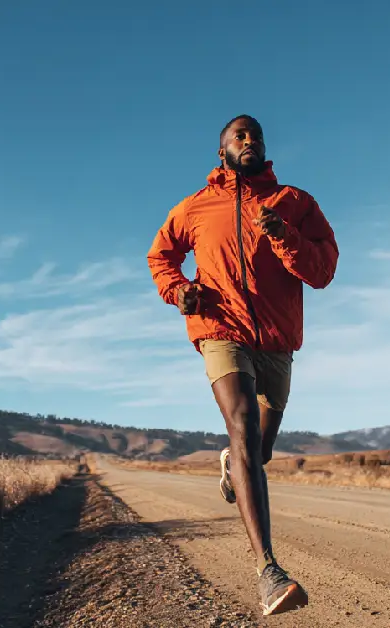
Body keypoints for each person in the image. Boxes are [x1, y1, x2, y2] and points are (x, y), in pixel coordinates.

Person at [146, 114, 339, 616]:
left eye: (256, 135)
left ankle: (236, 464)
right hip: (219, 329)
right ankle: (269, 572)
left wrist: (282, 236)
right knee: (242, 423)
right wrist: (180, 292)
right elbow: (160, 257)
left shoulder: (294, 203)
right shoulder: (194, 207)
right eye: (240, 136)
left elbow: (323, 272)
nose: (249, 141)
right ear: (223, 151)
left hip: (276, 340)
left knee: (260, 446)